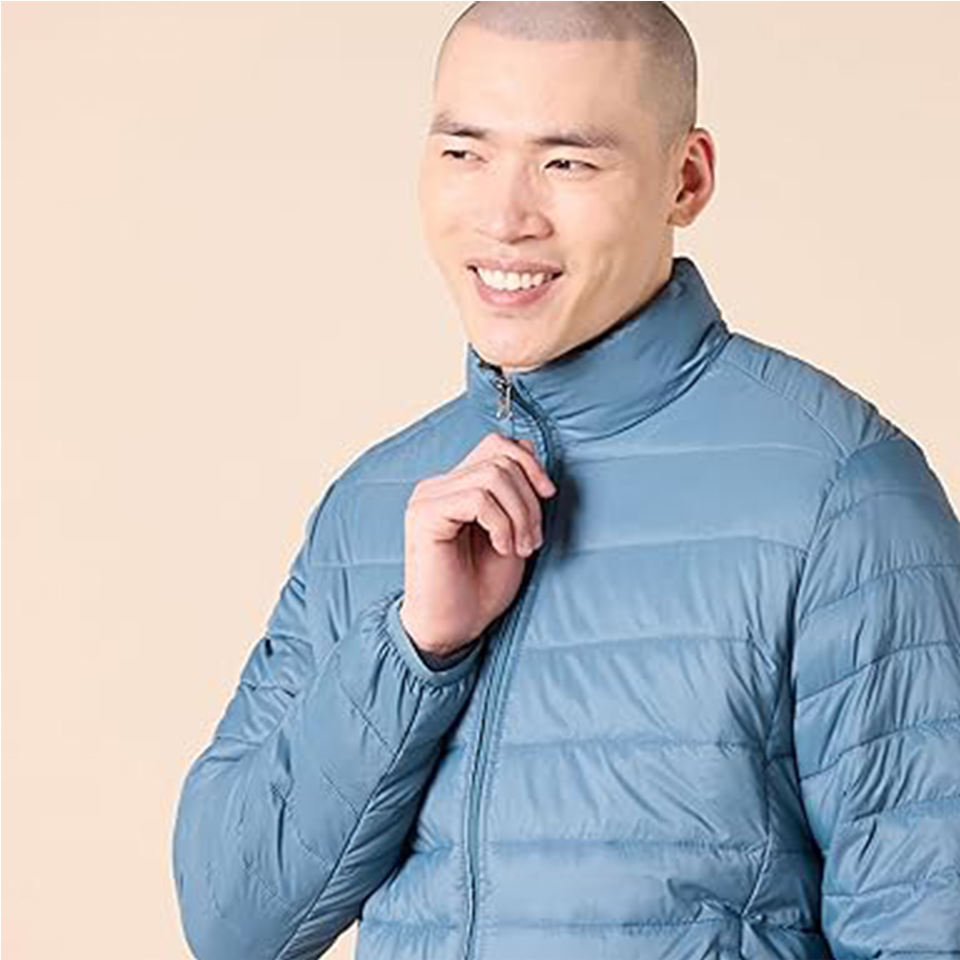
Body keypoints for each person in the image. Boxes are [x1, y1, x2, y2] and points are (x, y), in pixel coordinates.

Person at [171, 3, 960, 958]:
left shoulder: (840, 490)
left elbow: (928, 924)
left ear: (686, 179)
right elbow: (235, 925)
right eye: (464, 152)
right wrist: (415, 651)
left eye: (567, 162)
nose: (505, 218)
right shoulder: (376, 503)